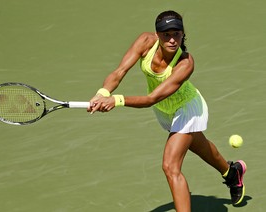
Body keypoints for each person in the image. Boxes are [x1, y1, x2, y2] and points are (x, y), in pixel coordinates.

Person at [88, 10, 246, 211]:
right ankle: (232, 172)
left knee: (170, 167)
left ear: (183, 34)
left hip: (187, 107)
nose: (172, 40)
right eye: (166, 34)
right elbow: (119, 72)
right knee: (198, 145)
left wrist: (116, 100)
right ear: (157, 34)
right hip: (165, 109)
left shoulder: (185, 63)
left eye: (176, 34)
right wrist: (103, 93)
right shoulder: (145, 42)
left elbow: (151, 98)